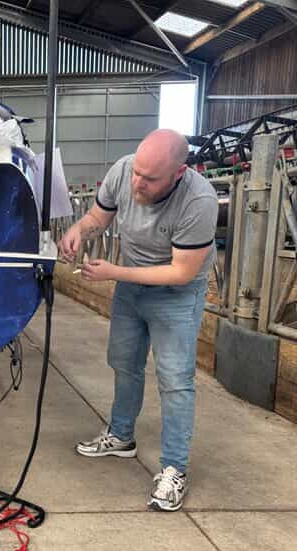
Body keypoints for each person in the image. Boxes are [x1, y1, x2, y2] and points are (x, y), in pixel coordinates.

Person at [59, 129, 218, 511]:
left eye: (149, 179)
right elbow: (99, 216)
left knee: (175, 380)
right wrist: (79, 229)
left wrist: (114, 272)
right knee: (124, 362)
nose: (137, 183)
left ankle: (174, 468)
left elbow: (181, 272)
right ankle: (121, 435)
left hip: (177, 294)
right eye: (136, 173)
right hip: (132, 287)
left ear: (178, 173)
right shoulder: (124, 169)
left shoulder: (198, 200)